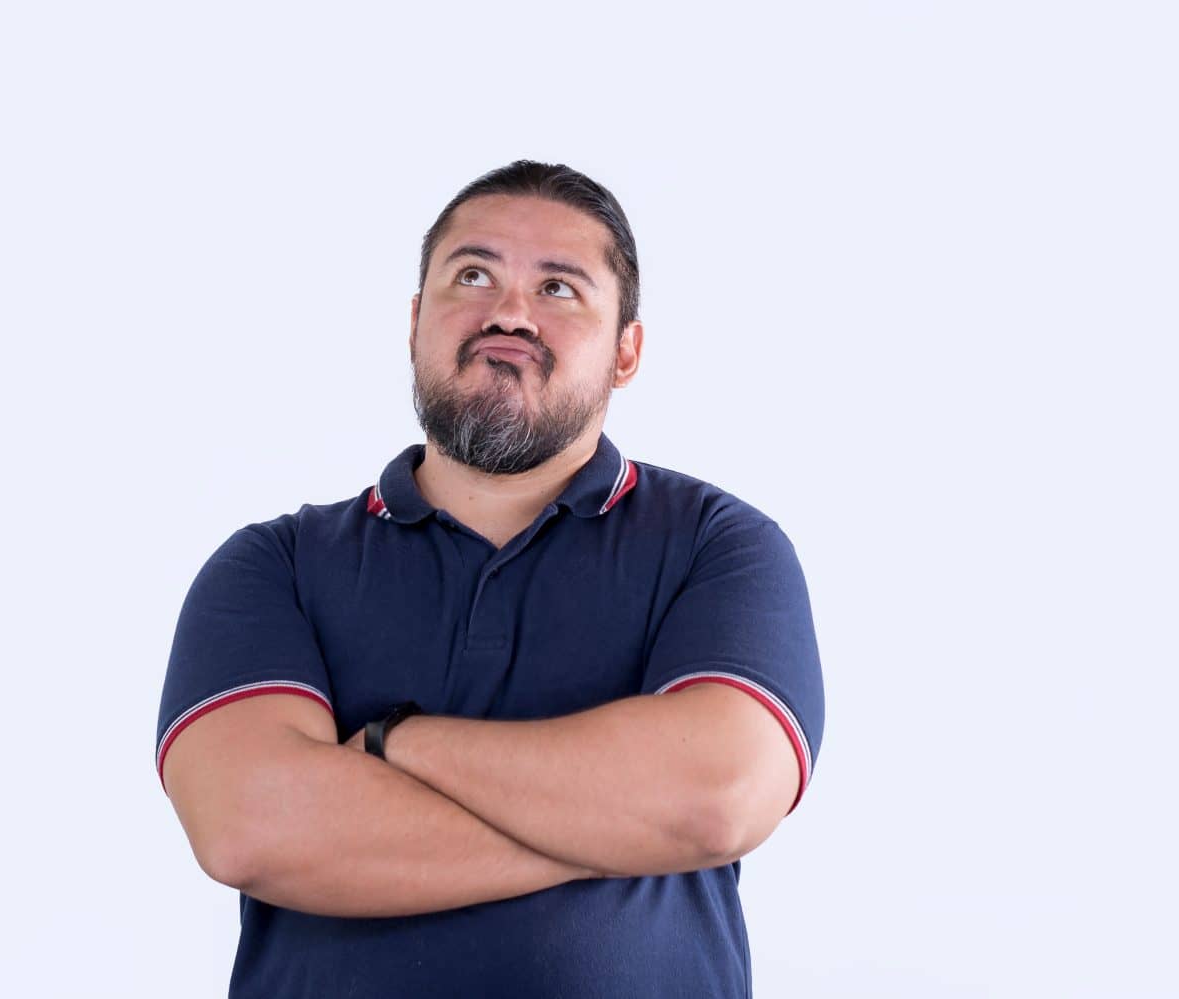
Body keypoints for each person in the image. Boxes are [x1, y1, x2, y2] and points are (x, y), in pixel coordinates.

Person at [154, 159, 825, 998]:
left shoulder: (719, 547)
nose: (509, 312)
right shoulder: (272, 567)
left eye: (559, 288)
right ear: (413, 323)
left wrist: (394, 741)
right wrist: (622, 824)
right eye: (472, 275)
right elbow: (250, 829)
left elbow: (716, 800)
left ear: (627, 352)